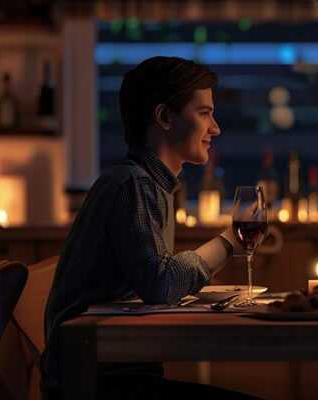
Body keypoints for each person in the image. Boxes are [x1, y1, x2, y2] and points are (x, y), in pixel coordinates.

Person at [42, 57, 258, 399]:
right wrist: (232, 238)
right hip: (98, 384)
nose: (215, 128)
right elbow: (161, 283)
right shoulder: (133, 185)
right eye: (204, 113)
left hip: (114, 371)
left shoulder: (151, 185)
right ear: (165, 117)